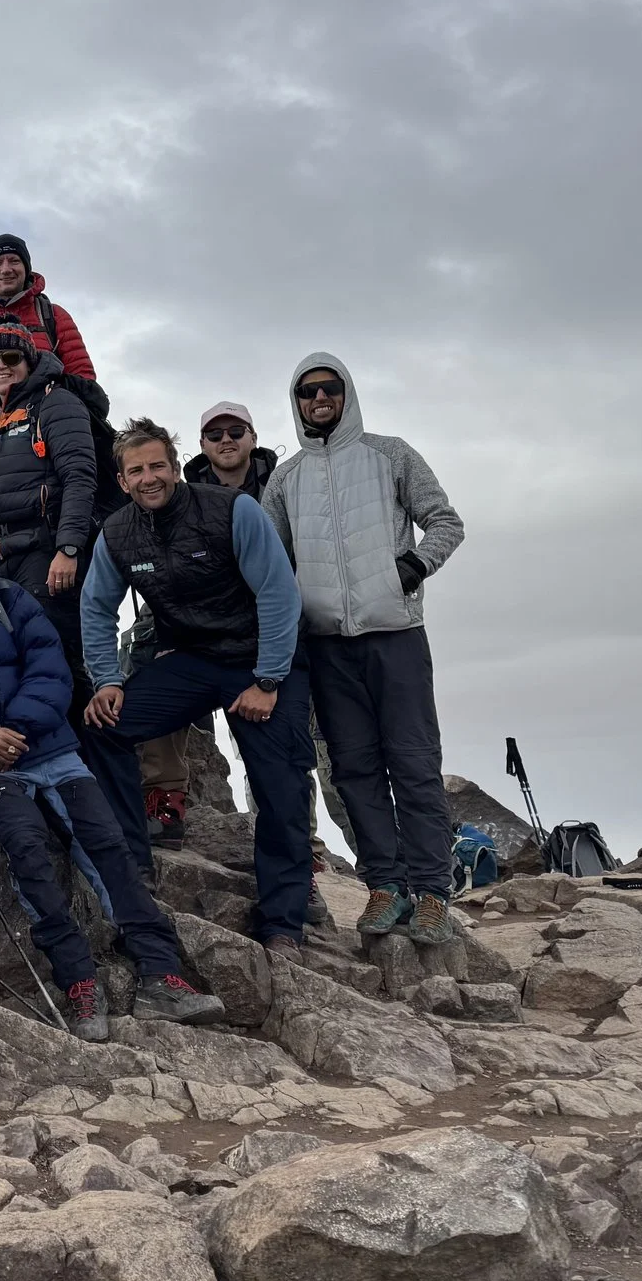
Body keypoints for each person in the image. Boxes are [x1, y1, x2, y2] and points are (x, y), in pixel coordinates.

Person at [0, 514, 223, 1040]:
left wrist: (10, 731)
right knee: (27, 847)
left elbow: (51, 668)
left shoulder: (7, 597)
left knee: (106, 841)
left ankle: (161, 972)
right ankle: (79, 981)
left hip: (48, 748)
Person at [79, 420, 317, 952]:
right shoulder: (117, 532)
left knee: (280, 785)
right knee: (104, 726)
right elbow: (96, 607)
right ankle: (133, 864)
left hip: (262, 659)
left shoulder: (232, 510)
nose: (149, 478)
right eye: (136, 470)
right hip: (191, 658)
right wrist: (107, 680)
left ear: (174, 466)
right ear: (122, 480)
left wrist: (269, 680)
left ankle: (283, 921)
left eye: (157, 466)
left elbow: (279, 594)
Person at [258, 355, 466, 945]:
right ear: (295, 401)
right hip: (326, 644)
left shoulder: (390, 454)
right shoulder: (286, 479)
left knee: (415, 763)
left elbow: (446, 521)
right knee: (354, 769)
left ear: (346, 393)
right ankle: (385, 886)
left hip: (395, 632)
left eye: (328, 389)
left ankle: (431, 891)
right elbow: (273, 563)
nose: (318, 399)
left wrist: (412, 566)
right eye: (306, 392)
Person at [137, 401, 281, 842]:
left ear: (253, 437)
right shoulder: (178, 491)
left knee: (280, 741)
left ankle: (297, 839)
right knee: (154, 678)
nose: (226, 440)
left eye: (236, 431)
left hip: (264, 627)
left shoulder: (281, 485)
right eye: (215, 434)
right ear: (201, 445)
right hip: (194, 626)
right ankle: (166, 806)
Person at [0, 325, 98, 651]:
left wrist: (68, 549)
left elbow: (79, 478)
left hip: (47, 551)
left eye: (11, 357)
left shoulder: (57, 403)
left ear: (30, 361)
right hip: (2, 556)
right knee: (8, 657)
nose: (0, 367)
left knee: (55, 655)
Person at [0, 233, 98, 490]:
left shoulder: (53, 316)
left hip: (51, 445)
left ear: (26, 267)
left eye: (14, 261)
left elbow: (84, 381)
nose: (6, 270)